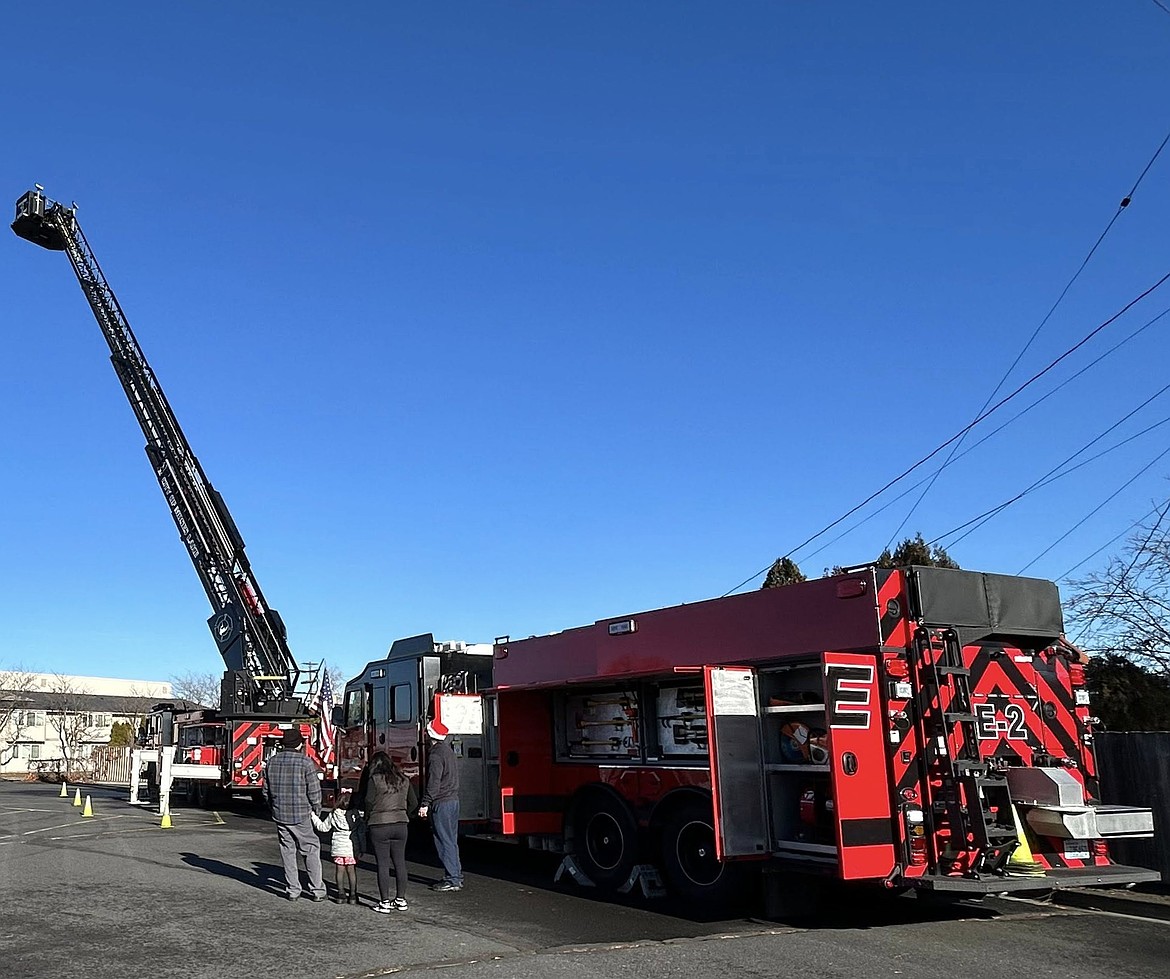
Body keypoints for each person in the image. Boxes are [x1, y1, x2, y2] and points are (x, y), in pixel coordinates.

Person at [263, 727, 327, 902]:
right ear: (299, 743)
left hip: (280, 813)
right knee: (310, 850)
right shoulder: (305, 762)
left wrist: (273, 807)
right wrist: (317, 808)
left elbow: (266, 791)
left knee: (287, 851)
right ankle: (317, 890)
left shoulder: (272, 762)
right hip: (301, 813)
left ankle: (293, 889)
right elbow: (314, 790)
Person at [362, 751, 417, 913]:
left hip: (379, 825)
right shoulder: (404, 780)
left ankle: (384, 902)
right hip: (401, 824)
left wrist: (367, 816)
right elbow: (413, 803)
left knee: (383, 864)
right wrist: (406, 814)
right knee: (400, 862)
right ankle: (401, 899)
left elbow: (368, 801)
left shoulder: (374, 780)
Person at [417, 718, 463, 892]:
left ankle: (452, 879)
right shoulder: (448, 751)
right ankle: (456, 875)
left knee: (443, 840)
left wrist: (425, 803)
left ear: (430, 735)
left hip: (441, 802)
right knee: (451, 840)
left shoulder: (435, 755)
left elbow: (433, 782)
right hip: (453, 800)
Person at [311, 788, 362, 905]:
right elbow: (361, 833)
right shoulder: (355, 815)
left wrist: (313, 816)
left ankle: (340, 894)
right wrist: (362, 848)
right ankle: (353, 895)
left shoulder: (334, 814)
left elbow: (323, 827)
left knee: (339, 870)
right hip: (351, 848)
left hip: (338, 848)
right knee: (351, 871)